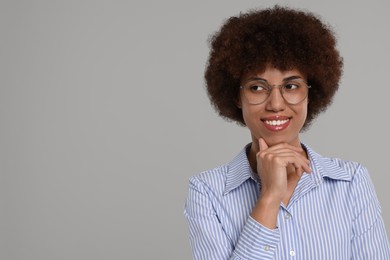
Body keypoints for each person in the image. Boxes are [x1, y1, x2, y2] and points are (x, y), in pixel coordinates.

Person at [184, 5, 390, 260]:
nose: (276, 104)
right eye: (257, 88)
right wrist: (269, 197)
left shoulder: (351, 182)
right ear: (237, 96)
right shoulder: (207, 191)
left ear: (310, 93)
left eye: (291, 85)